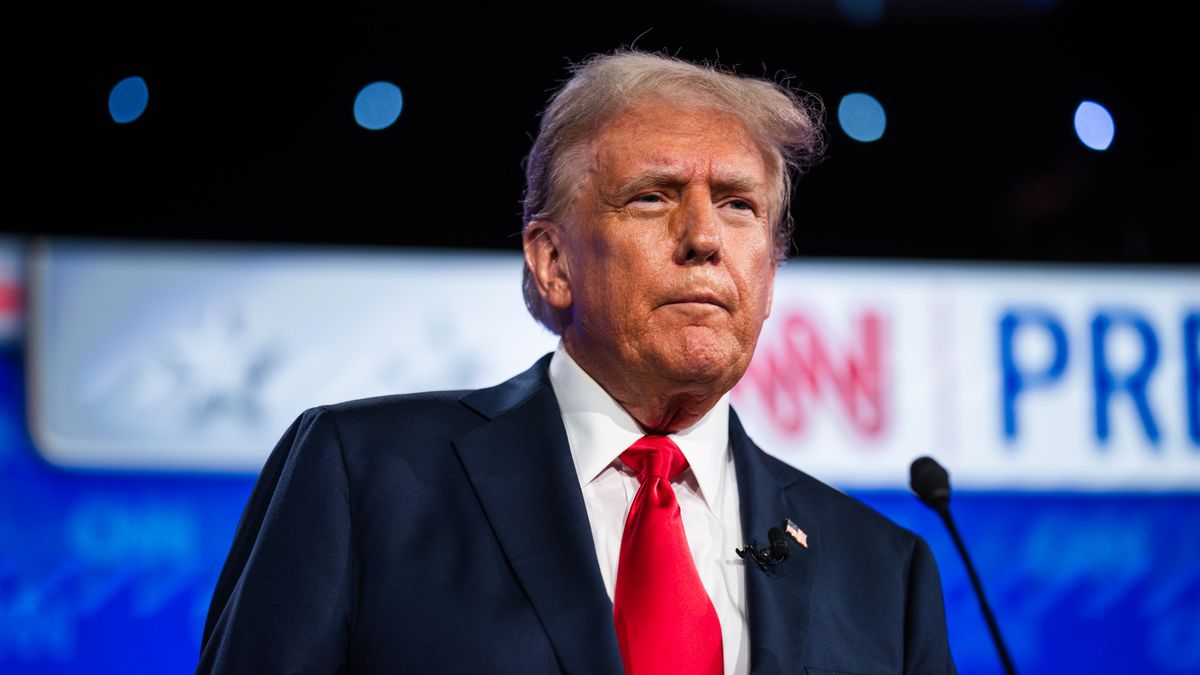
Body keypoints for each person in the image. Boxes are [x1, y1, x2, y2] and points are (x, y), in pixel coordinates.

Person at [197, 48, 956, 674]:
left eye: (738, 204)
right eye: (653, 197)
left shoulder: (883, 575)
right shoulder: (362, 479)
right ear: (553, 261)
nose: (703, 238)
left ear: (769, 270)